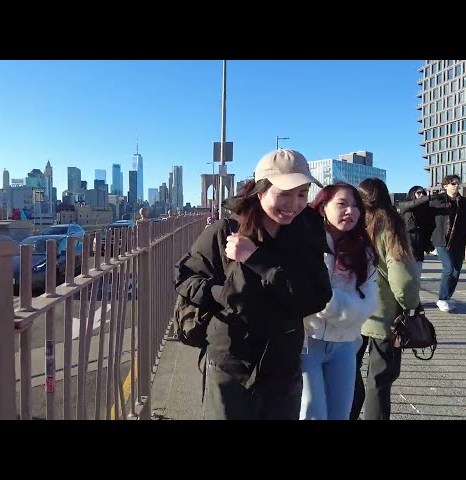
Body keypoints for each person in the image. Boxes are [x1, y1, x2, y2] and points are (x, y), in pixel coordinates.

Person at [175, 148, 332, 420]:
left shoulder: (306, 233)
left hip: (282, 365)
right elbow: (187, 277)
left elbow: (316, 296)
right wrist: (224, 295)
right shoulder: (225, 232)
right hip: (231, 362)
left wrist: (256, 259)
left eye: (302, 194)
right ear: (260, 192)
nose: (293, 204)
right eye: (283, 194)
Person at [300, 183, 379, 420]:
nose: (350, 211)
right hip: (306, 342)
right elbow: (305, 293)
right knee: (312, 412)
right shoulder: (306, 243)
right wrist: (343, 305)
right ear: (323, 207)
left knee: (340, 414)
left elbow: (370, 303)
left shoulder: (363, 251)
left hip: (345, 344)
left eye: (356, 206)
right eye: (342, 204)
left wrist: (328, 302)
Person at [350, 178, 420, 421]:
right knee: (378, 381)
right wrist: (411, 305)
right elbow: (402, 278)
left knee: (348, 373)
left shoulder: (352, 224)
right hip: (385, 316)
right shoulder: (390, 225)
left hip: (352, 312)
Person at [429, 175, 466, 312]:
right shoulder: (437, 201)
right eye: (452, 184)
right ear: (445, 186)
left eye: (457, 184)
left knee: (456, 271)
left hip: (459, 241)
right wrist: (427, 243)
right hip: (442, 241)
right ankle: (441, 299)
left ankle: (447, 297)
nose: (456, 186)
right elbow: (427, 222)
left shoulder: (465, 203)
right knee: (449, 268)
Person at [398, 185, 435, 282]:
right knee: (404, 279)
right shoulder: (406, 206)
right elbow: (410, 205)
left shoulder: (427, 210)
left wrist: (429, 244)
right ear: (412, 194)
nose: (422, 195)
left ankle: (414, 296)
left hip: (419, 247)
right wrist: (428, 198)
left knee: (416, 278)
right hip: (405, 246)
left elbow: (429, 228)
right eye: (419, 193)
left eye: (423, 193)